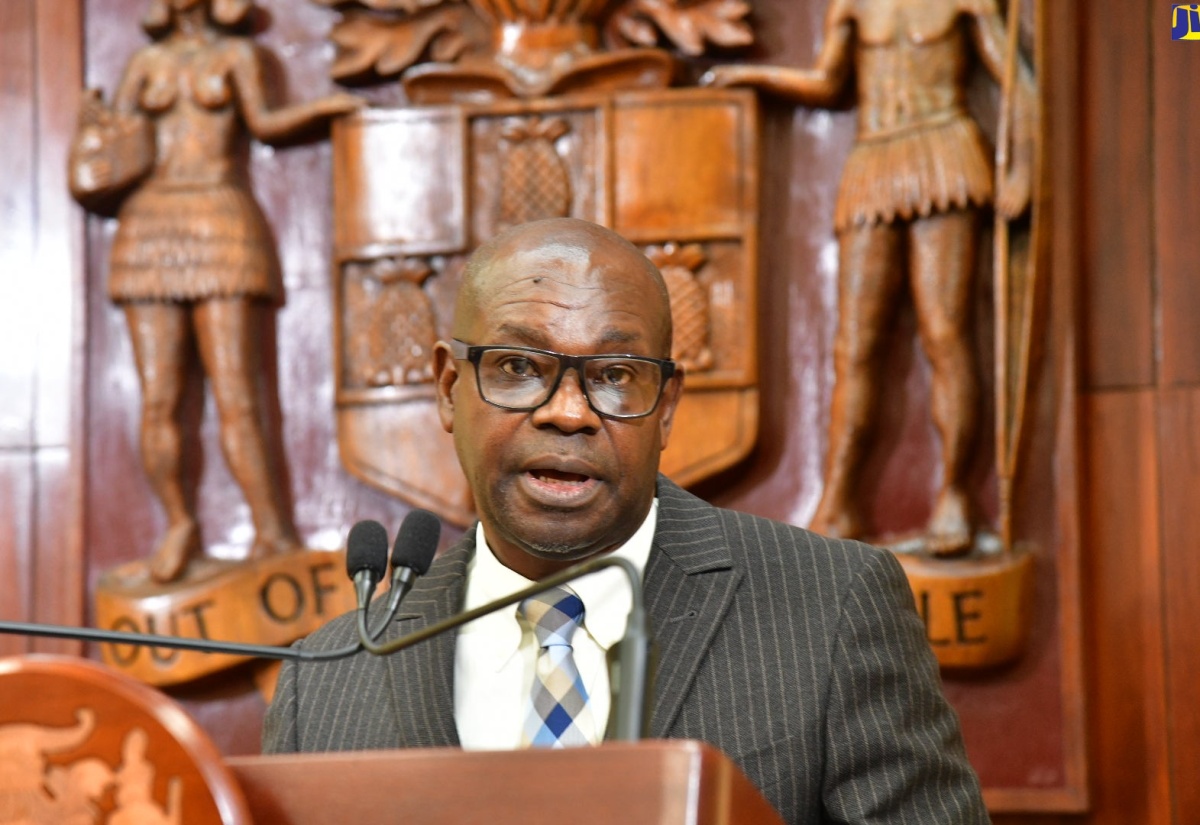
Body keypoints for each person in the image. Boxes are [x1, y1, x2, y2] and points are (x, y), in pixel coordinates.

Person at [263, 218, 989, 824]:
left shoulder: (829, 608)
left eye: (613, 375)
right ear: (451, 388)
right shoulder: (325, 684)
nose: (568, 411)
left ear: (666, 406)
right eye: (518, 367)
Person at [703, 0, 1035, 555]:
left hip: (942, 151)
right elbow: (830, 83)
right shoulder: (852, 5)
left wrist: (1023, 166)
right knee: (855, 346)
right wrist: (753, 75)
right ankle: (839, 500)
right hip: (874, 163)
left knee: (946, 334)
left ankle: (953, 495)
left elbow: (1016, 81)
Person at [72, 0, 362, 582]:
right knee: (160, 399)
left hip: (220, 216)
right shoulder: (146, 63)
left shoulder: (238, 55)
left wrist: (328, 107)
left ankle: (270, 529)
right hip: (150, 225)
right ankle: (179, 523)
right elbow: (118, 144)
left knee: (238, 393)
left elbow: (265, 122)